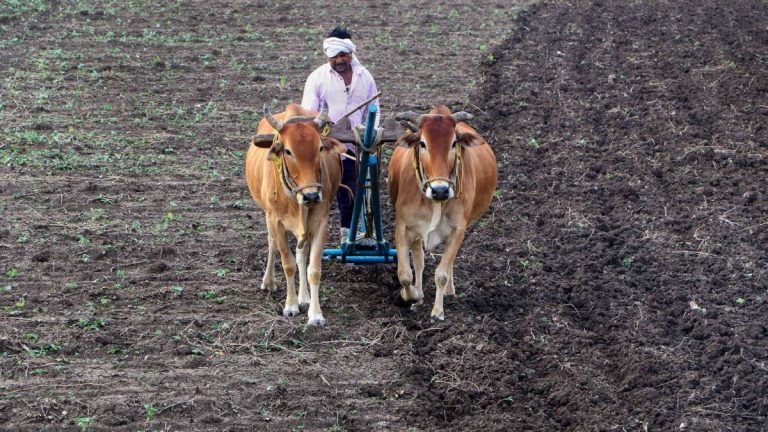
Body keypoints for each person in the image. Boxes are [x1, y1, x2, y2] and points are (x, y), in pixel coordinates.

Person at [301, 26, 379, 245]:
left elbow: (374, 108)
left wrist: (369, 132)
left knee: (353, 192)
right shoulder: (317, 78)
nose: (338, 60)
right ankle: (308, 233)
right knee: (317, 190)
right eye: (334, 56)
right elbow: (308, 114)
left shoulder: (365, 77)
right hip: (325, 147)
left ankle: (349, 236)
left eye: (342, 54)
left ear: (350, 53)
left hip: (354, 147)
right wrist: (324, 126)